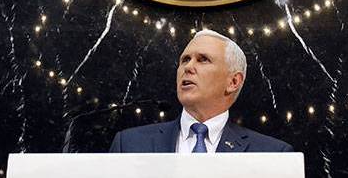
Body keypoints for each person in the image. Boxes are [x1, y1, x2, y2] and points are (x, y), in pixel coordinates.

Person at [109, 29, 293, 153]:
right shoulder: (129, 144)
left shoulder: (272, 153)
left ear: (233, 82)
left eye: (203, 59)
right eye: (185, 59)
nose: (188, 67)